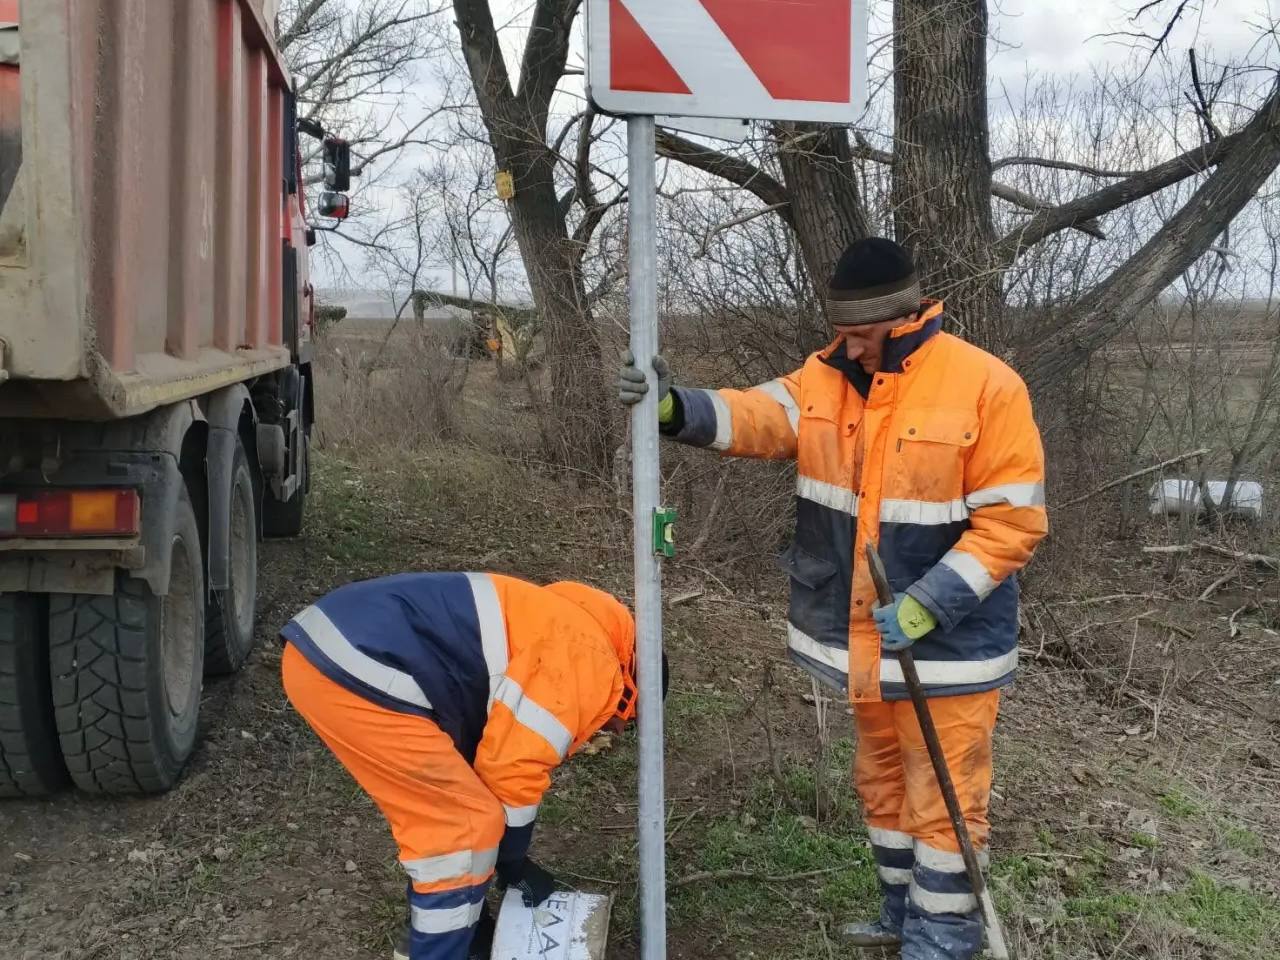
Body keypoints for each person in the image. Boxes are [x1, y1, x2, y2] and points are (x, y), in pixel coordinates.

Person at [618, 237, 1047, 960]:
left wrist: (929, 602)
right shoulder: (827, 376)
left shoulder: (986, 385)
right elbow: (755, 416)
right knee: (880, 784)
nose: (847, 345)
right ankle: (898, 916)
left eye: (859, 333)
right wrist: (672, 408)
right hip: (861, 645)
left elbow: (1013, 521)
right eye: (841, 331)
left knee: (942, 800)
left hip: (946, 653)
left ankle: (942, 941)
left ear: (902, 316)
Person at [280, 572, 663, 960]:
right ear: (632, 695)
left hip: (338, 649)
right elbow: (511, 770)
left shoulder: (567, 623)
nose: (611, 729)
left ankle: (452, 931)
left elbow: (487, 756)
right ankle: (434, 951)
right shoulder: (592, 662)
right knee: (461, 833)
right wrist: (512, 861)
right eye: (622, 725)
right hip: (358, 665)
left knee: (459, 812)